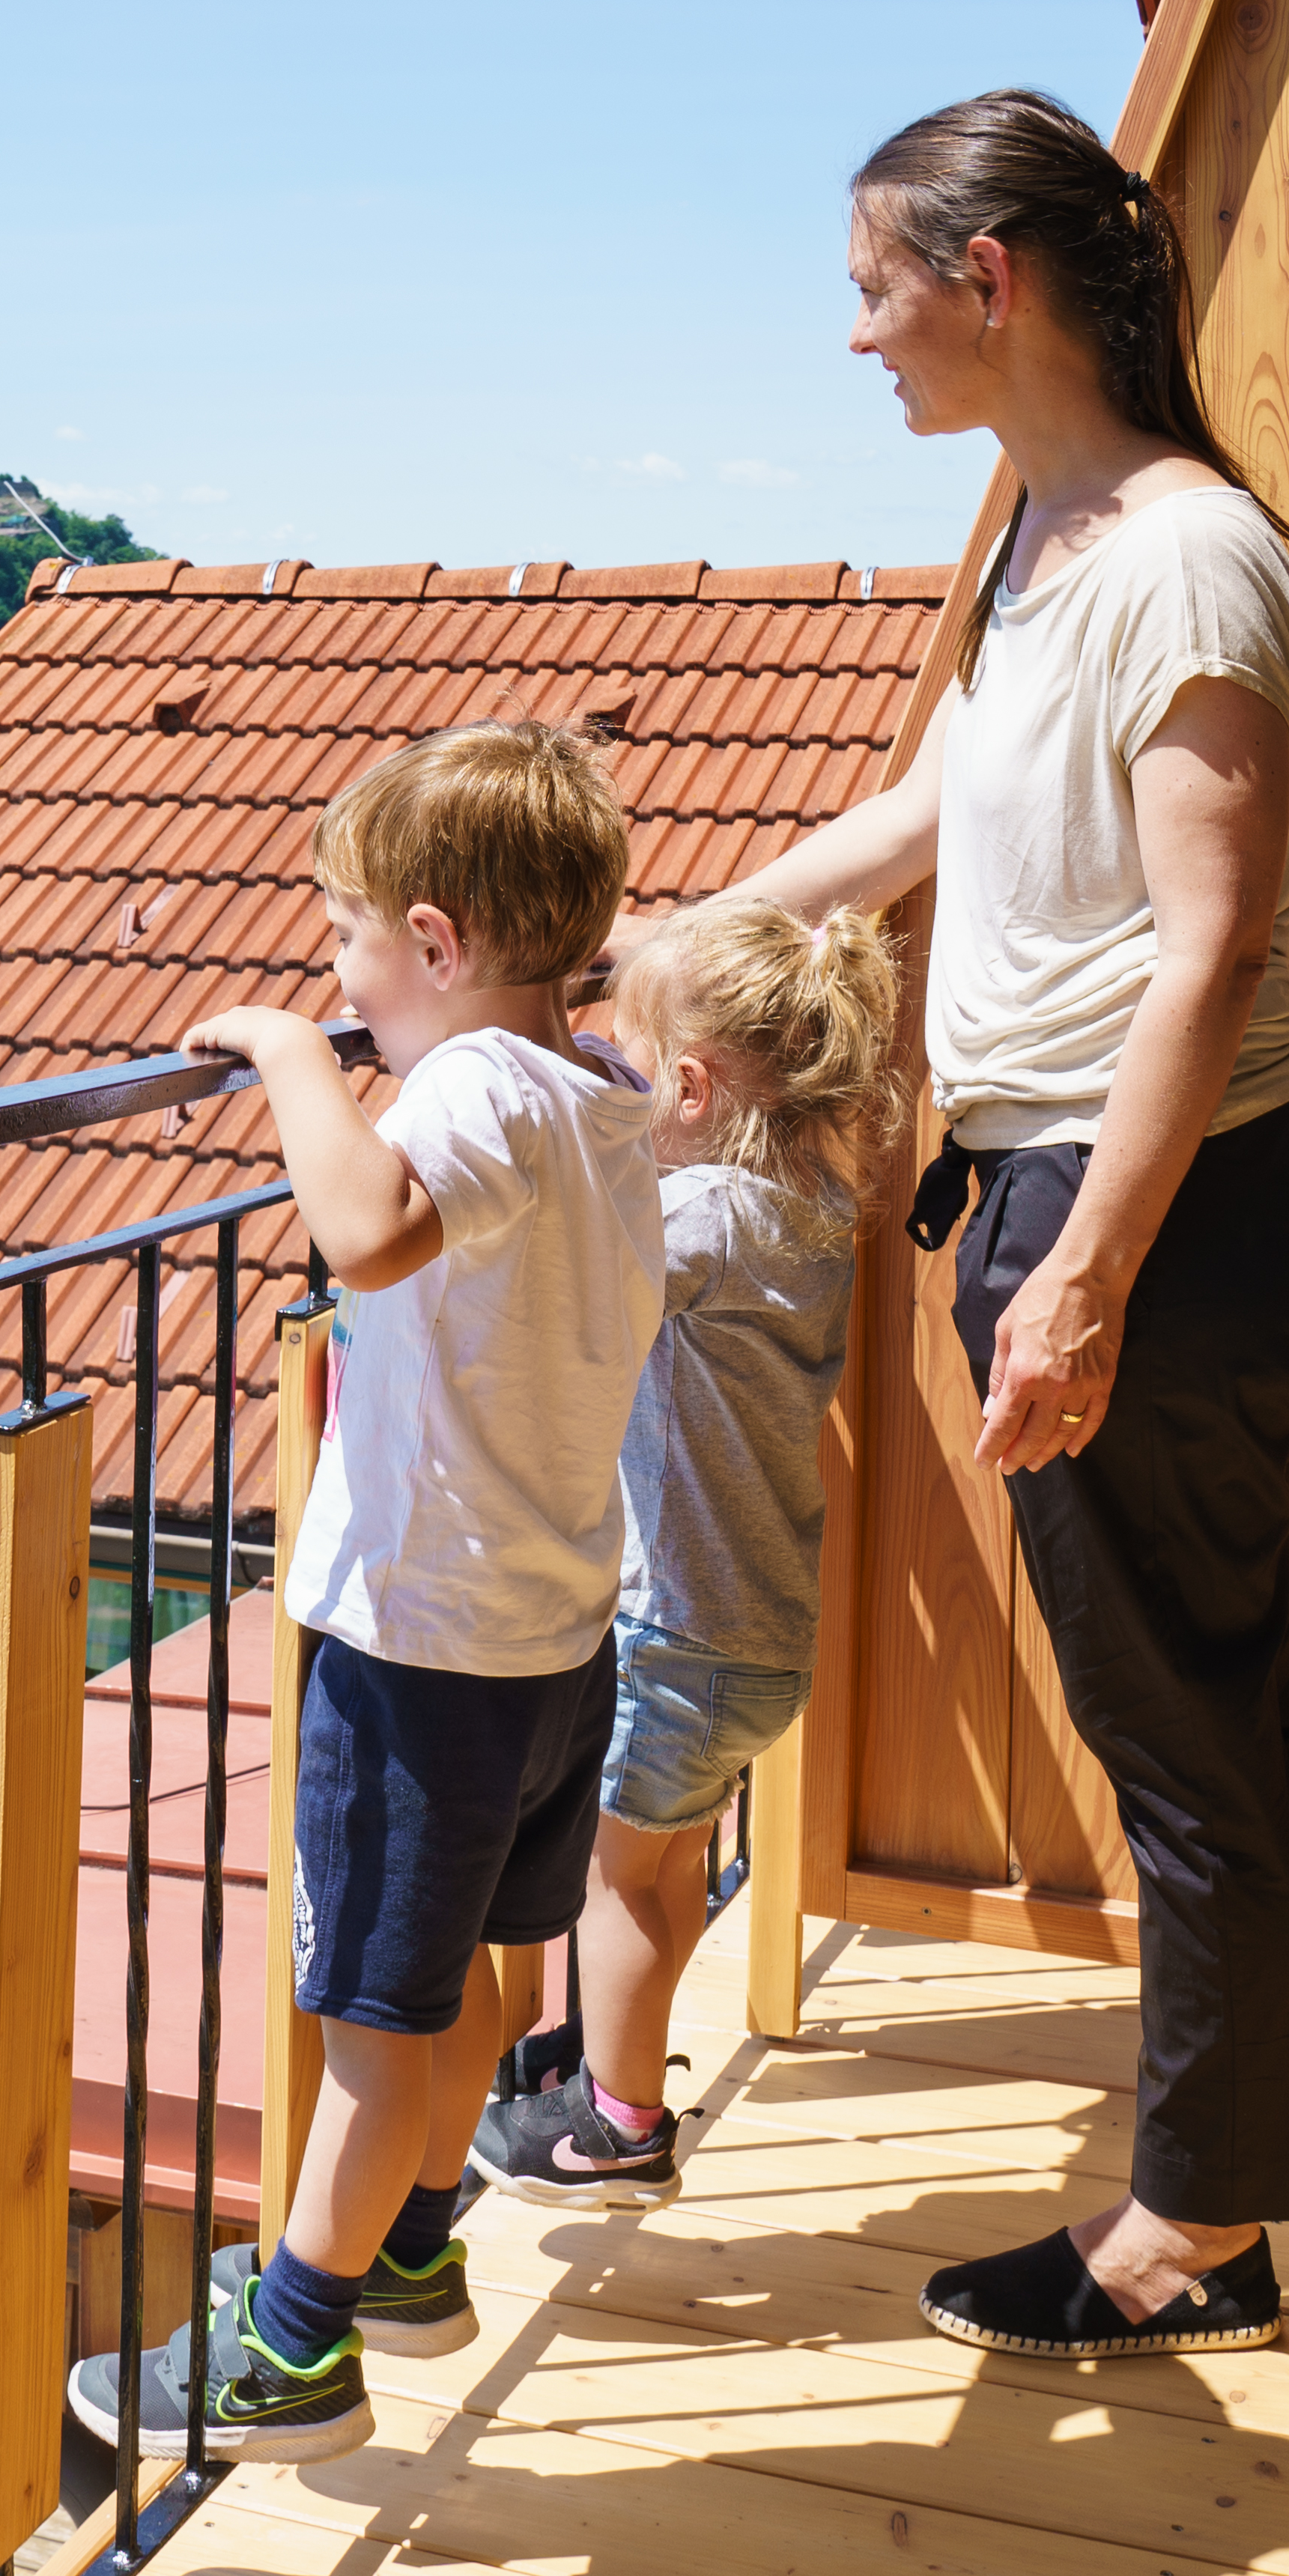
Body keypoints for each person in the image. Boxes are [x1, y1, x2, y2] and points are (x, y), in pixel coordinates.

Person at [688, 87, 1289, 2359]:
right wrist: (673, 942)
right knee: (1225, 1697)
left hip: (1166, 1199)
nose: (860, 341)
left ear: (988, 280)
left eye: (873, 290)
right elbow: (928, 811)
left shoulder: (1192, 556)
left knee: (1180, 1729)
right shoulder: (1049, 536)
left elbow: (1210, 945)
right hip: (1072, 1190)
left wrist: (1084, 1280)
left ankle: (1194, 2235)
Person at [64, 719, 662, 2461]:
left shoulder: (471, 1087)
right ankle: (407, 2249)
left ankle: (294, 2347)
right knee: (468, 1975)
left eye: (346, 942)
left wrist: (280, 1055)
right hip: (557, 1641)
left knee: (368, 2023)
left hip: (425, 1650)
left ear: (438, 943)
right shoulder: (607, 1098)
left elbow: (372, 1229)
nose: (337, 981)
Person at [467, 893, 899, 2208]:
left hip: (670, 1641)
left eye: (641, 1077)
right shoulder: (811, 1214)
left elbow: (582, 1275)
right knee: (662, 1872)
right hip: (757, 1642)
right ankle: (603, 2063)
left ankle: (618, 2126)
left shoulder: (702, 1218)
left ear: (696, 1087)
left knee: (618, 1882)